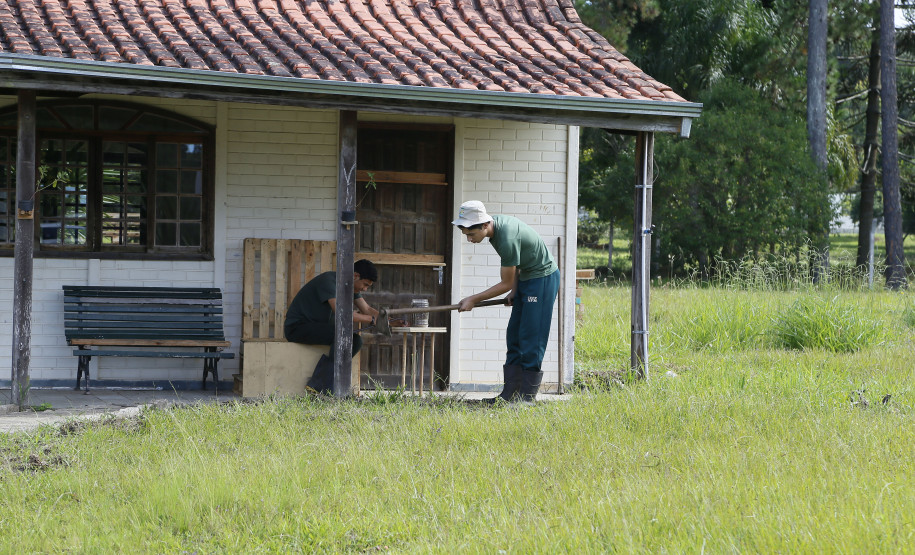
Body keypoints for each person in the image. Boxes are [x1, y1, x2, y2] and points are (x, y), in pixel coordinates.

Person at [452, 200, 560, 403]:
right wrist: (516, 289)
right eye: (466, 234)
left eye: (471, 234)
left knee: (531, 336)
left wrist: (473, 299)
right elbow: (516, 268)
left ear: (485, 225)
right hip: (527, 278)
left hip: (542, 279)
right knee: (515, 335)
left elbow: (505, 283)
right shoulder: (496, 231)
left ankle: (526, 398)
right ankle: (509, 395)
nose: (468, 239)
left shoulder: (505, 237)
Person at [284, 259, 380, 393]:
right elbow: (342, 313)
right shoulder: (329, 281)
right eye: (365, 285)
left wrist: (389, 320)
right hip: (297, 327)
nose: (364, 289)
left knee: (356, 340)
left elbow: (367, 309)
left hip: (318, 327)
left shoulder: (349, 286)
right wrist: (371, 319)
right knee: (341, 334)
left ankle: (319, 385)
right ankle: (322, 387)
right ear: (355, 276)